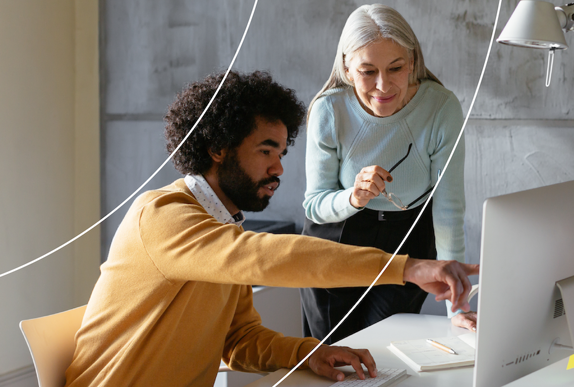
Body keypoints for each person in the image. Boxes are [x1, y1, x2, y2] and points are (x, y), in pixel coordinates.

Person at [64, 70, 477, 386]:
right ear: (218, 147)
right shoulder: (162, 214)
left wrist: (308, 352)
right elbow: (268, 257)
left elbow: (239, 339)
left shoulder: (221, 228)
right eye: (266, 151)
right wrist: (406, 267)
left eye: (281, 152)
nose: (278, 169)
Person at [301, 4, 476, 344]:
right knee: (331, 354)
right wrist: (352, 197)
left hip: (409, 235)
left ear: (412, 61)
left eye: (395, 68)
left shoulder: (442, 109)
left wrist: (458, 308)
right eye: (368, 71)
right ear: (347, 68)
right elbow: (314, 205)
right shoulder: (329, 110)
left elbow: (448, 210)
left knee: (384, 349)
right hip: (337, 237)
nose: (383, 86)